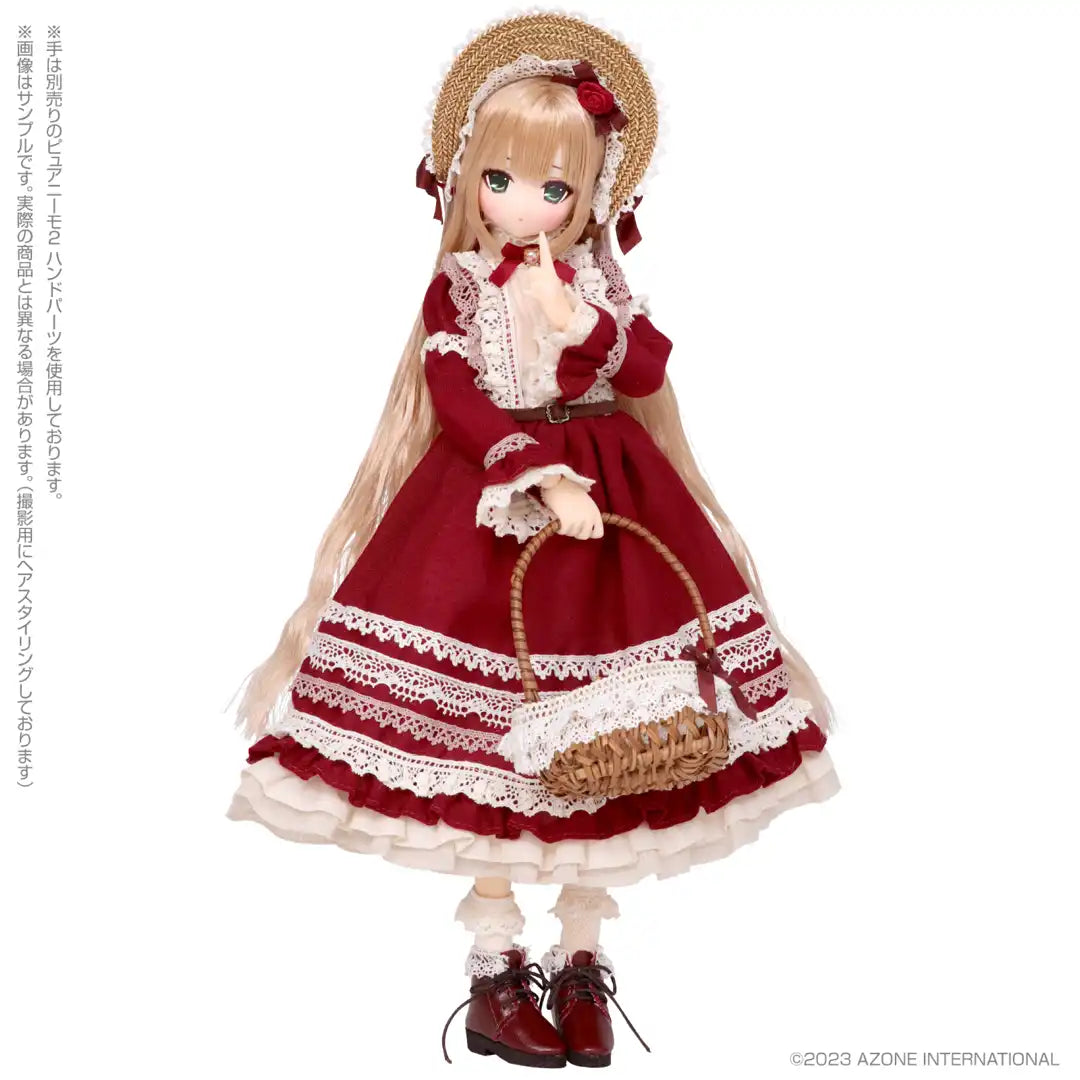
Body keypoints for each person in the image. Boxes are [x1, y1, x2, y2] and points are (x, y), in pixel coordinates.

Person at [225, 12, 841, 1069]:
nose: (523, 207)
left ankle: (584, 959)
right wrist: (538, 472)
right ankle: (496, 969)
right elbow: (458, 400)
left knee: (629, 729)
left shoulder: (595, 282)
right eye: (501, 181)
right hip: (488, 509)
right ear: (466, 181)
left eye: (554, 189)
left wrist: (575, 319)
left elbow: (644, 370)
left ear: (593, 194)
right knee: (491, 742)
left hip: (622, 504)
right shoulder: (459, 289)